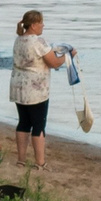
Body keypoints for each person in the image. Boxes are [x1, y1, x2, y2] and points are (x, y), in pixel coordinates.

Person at [9, 10, 70, 168]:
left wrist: (55, 50)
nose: (43, 25)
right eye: (41, 22)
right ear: (34, 25)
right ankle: (40, 162)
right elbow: (54, 63)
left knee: (23, 123)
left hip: (19, 88)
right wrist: (69, 55)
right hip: (36, 91)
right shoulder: (39, 41)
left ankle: (21, 160)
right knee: (38, 125)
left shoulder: (19, 40)